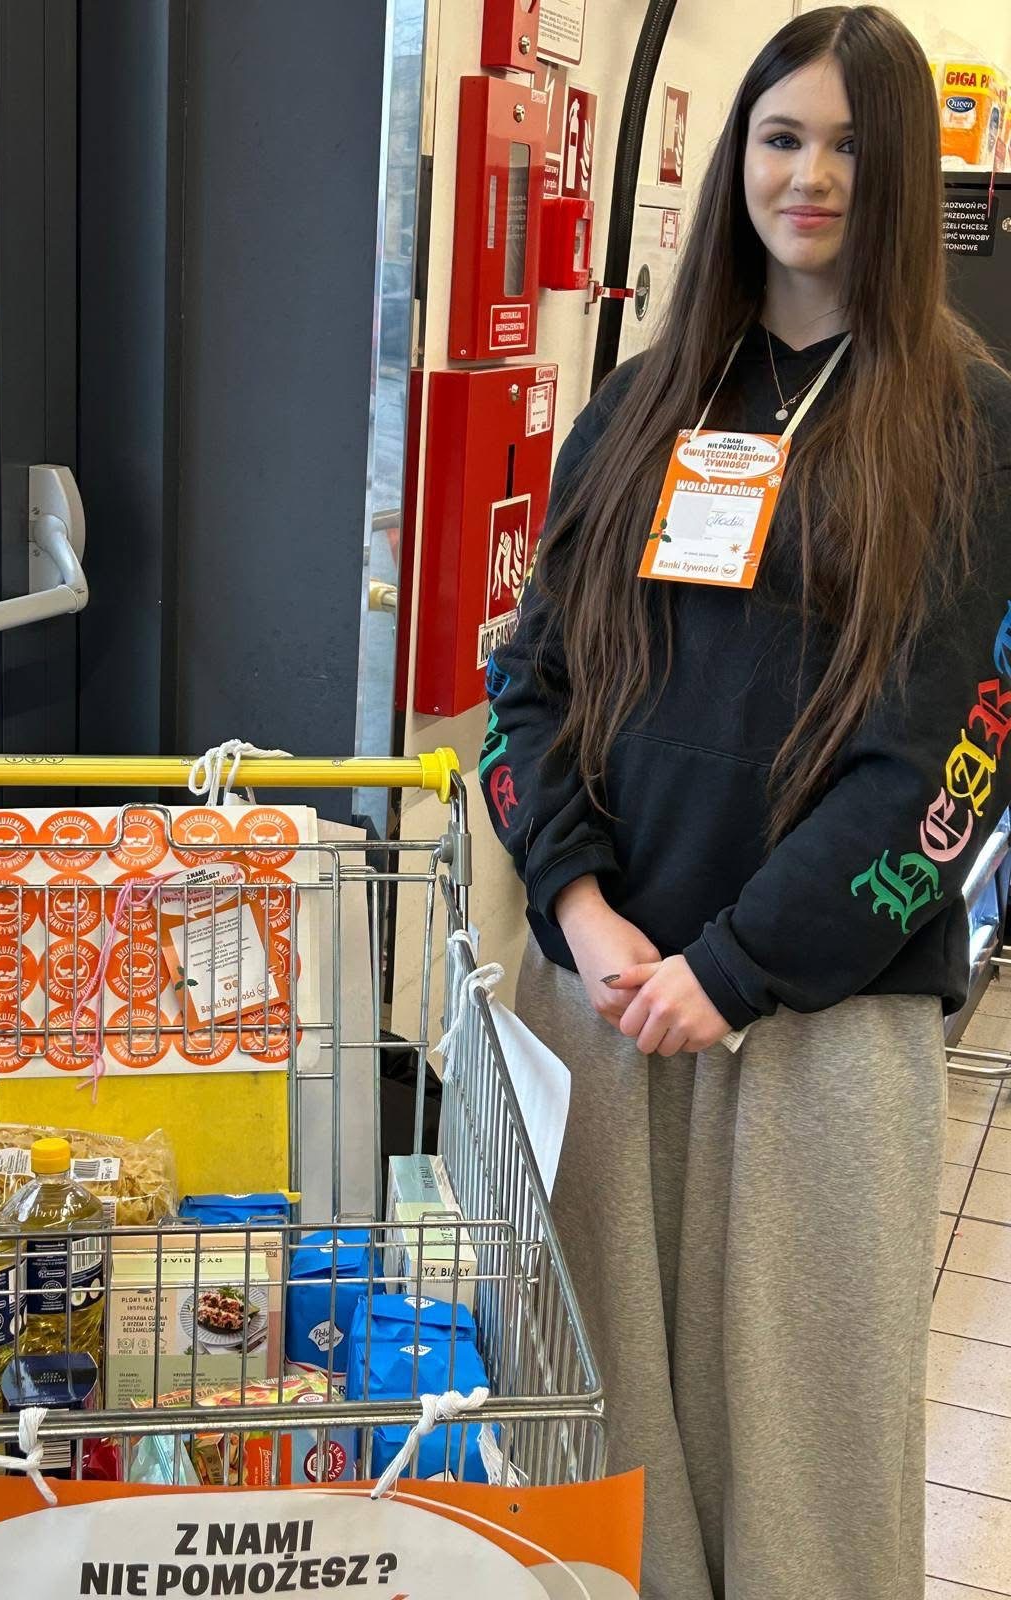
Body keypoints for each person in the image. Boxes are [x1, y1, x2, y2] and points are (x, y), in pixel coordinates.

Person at [481, 8, 1011, 1599]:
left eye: (852, 144)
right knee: (594, 1441)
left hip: (819, 1022)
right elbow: (532, 683)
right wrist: (581, 911)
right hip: (604, 997)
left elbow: (950, 754)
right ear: (739, 160)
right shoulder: (644, 401)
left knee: (805, 1463)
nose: (813, 175)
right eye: (783, 137)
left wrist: (739, 966)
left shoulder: (969, 425)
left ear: (903, 174)